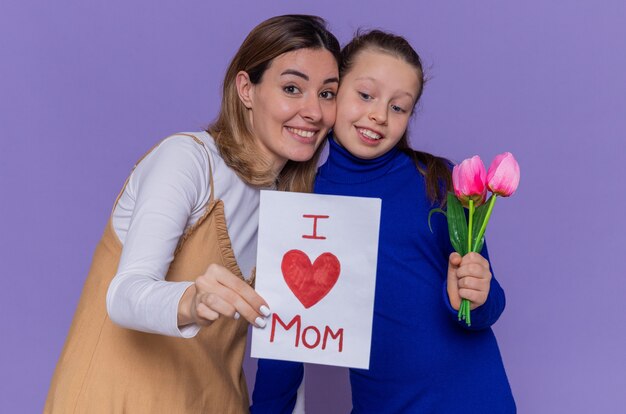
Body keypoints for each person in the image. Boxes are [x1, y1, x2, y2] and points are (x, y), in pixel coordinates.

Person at [44, 15, 340, 414]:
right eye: (292, 88)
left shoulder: (293, 206)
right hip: (115, 400)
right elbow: (124, 294)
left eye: (327, 94)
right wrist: (191, 299)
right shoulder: (187, 160)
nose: (314, 112)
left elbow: (294, 340)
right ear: (246, 90)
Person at [251, 30, 516, 413]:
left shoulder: (439, 180)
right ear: (334, 91)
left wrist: (478, 296)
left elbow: (487, 306)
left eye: (399, 107)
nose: (378, 115)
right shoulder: (305, 200)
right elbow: (284, 341)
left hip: (475, 399)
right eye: (365, 95)